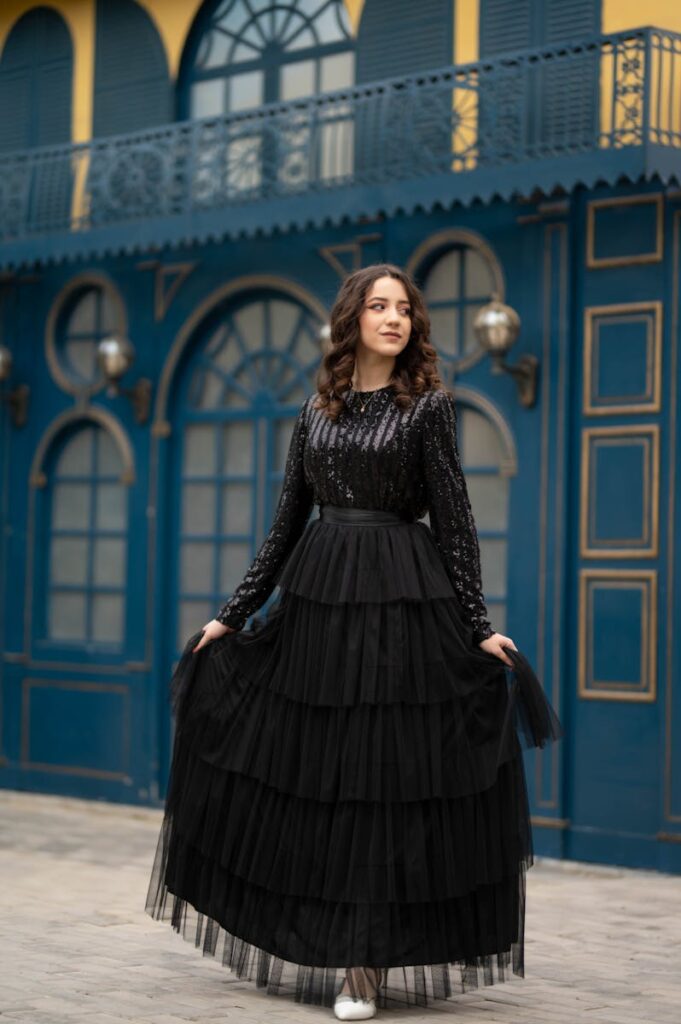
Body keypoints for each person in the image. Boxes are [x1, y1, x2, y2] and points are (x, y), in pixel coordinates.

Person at [145, 263, 561, 1020]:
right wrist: (230, 617)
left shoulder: (429, 407)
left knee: (381, 785)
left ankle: (363, 966)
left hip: (401, 600)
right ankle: (322, 937)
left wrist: (478, 626)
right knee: (320, 779)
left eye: (404, 308)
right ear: (353, 319)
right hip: (319, 606)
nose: (394, 318)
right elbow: (283, 527)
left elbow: (455, 520)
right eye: (378, 306)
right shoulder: (314, 411)